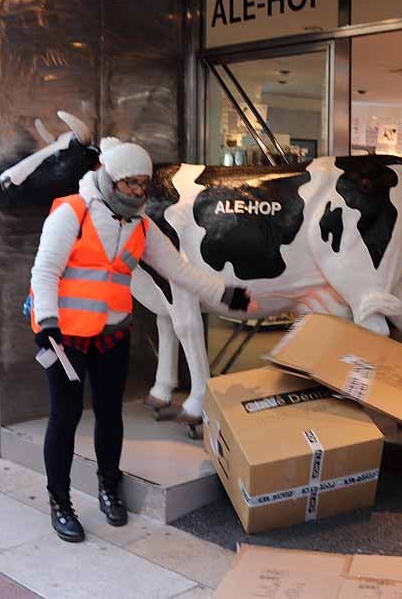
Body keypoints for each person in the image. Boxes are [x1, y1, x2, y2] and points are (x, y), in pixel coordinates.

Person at [29, 138, 251, 543]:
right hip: (65, 338)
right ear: (109, 178)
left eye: (143, 184)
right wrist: (47, 324)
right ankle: (60, 501)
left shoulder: (141, 225)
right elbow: (44, 271)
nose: (138, 191)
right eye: (130, 184)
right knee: (65, 418)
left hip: (111, 336)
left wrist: (225, 294)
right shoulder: (71, 214)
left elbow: (181, 272)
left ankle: (108, 488)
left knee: (110, 416)